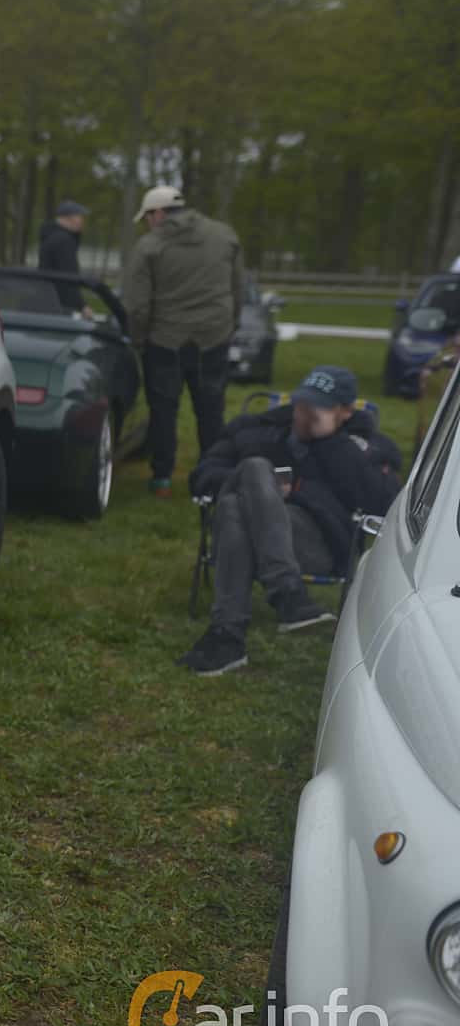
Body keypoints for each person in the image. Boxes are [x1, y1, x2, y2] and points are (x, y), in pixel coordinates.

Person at [179, 366, 401, 675]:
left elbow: (383, 503)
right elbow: (204, 475)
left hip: (316, 546)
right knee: (252, 474)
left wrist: (329, 445)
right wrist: (260, 491)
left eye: (319, 408)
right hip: (254, 538)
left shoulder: (366, 447)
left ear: (346, 412)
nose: (304, 414)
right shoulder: (254, 429)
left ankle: (227, 637)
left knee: (235, 504)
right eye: (302, 403)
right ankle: (287, 595)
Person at [123, 185, 247, 496]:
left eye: (148, 216)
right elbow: (238, 289)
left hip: (165, 341)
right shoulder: (225, 236)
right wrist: (229, 326)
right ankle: (211, 480)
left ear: (159, 213)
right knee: (211, 410)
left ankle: (162, 478)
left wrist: (138, 340)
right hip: (214, 337)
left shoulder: (149, 246)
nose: (148, 223)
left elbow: (138, 305)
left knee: (163, 410)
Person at [37, 199, 88, 312]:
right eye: (79, 216)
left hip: (48, 299)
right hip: (61, 304)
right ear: (68, 218)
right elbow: (68, 277)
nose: (82, 221)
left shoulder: (51, 236)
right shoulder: (63, 241)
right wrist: (82, 306)